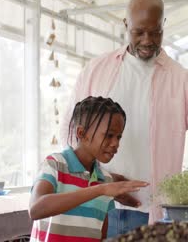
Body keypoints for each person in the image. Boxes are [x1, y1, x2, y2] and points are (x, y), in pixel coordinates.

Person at [60, 0, 188, 236]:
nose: (147, 40)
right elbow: (70, 133)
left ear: (164, 25)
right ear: (126, 25)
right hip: (97, 209)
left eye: (155, 32)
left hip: (153, 216)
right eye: (139, 32)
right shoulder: (95, 71)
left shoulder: (182, 80)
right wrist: (104, 179)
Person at [30, 96, 149, 241]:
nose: (115, 143)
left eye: (119, 137)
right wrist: (100, 190)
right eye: (109, 135)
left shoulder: (105, 180)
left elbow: (100, 235)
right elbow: (36, 209)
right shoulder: (54, 164)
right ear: (82, 133)